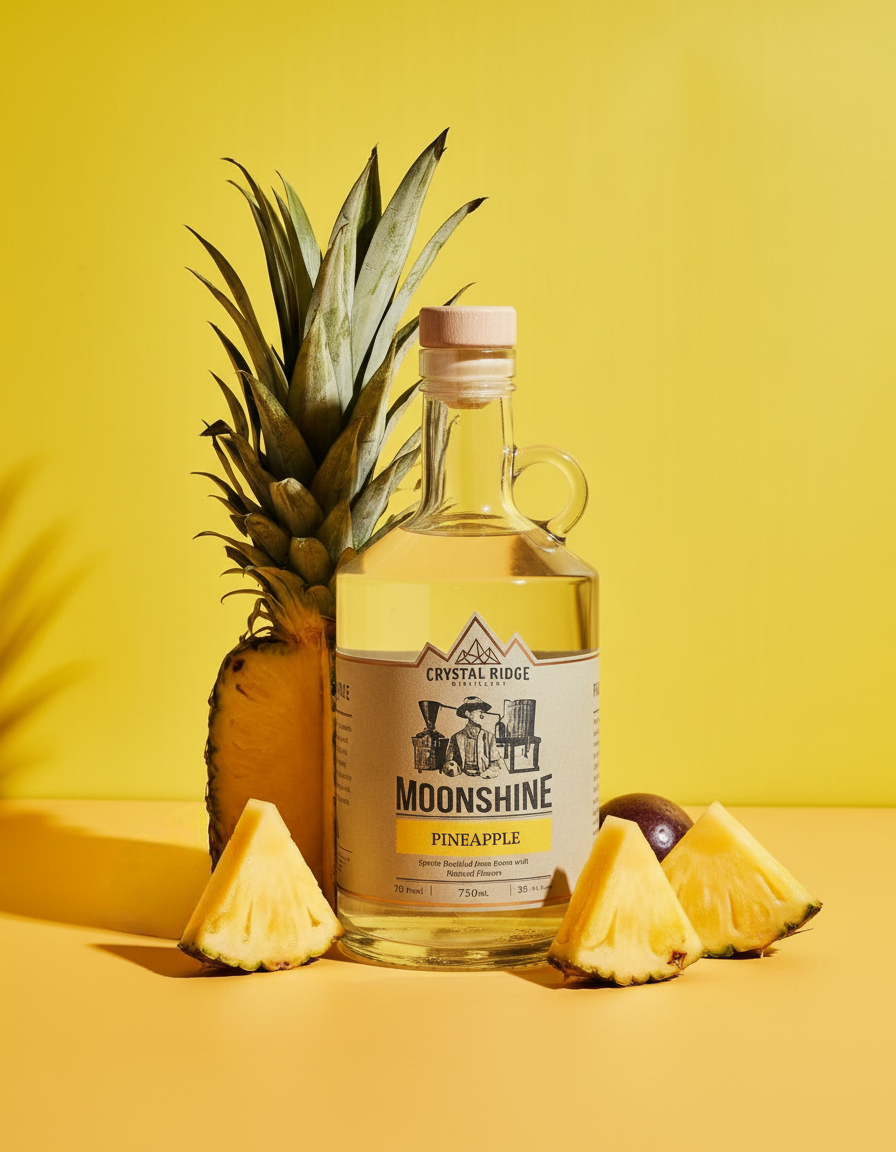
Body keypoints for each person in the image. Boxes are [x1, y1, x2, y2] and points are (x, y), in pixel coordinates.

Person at [442, 697, 506, 779]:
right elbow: (449, 762)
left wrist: (487, 774)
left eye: (482, 712)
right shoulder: (456, 737)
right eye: (479, 712)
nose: (482, 716)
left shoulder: (489, 737)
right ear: (468, 714)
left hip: (484, 778)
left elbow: (496, 764)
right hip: (462, 778)